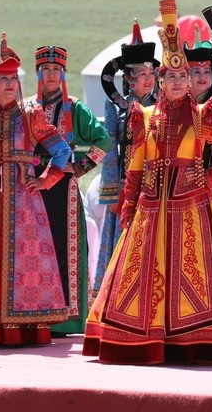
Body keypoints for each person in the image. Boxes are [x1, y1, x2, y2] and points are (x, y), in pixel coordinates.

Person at [83, 0, 212, 364]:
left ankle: (199, 338)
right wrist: (129, 206)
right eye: (170, 77)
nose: (176, 82)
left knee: (199, 269)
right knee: (142, 273)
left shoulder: (203, 115)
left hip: (194, 203)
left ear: (189, 81)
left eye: (182, 77)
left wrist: (211, 176)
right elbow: (136, 167)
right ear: (161, 81)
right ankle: (144, 337)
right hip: (150, 207)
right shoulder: (145, 116)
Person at [0, 33, 73, 344]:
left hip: (25, 205)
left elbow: (62, 151)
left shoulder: (31, 116)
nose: (9, 84)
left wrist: (45, 180)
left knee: (23, 261)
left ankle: (24, 325)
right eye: (2, 79)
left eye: (12, 79)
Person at [22, 45, 113, 335]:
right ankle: (31, 312)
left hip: (62, 185)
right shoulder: (24, 107)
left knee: (63, 246)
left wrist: (81, 166)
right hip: (29, 185)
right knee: (30, 246)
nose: (51, 74)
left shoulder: (74, 108)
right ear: (38, 73)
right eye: (45, 69)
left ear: (63, 74)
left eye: (56, 70)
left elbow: (103, 140)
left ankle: (66, 319)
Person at [93, 20, 159, 293]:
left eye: (151, 72)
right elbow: (109, 148)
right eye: (142, 73)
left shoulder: (162, 106)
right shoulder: (116, 107)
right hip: (125, 186)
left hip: (155, 186)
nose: (148, 78)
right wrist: (111, 191)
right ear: (130, 79)